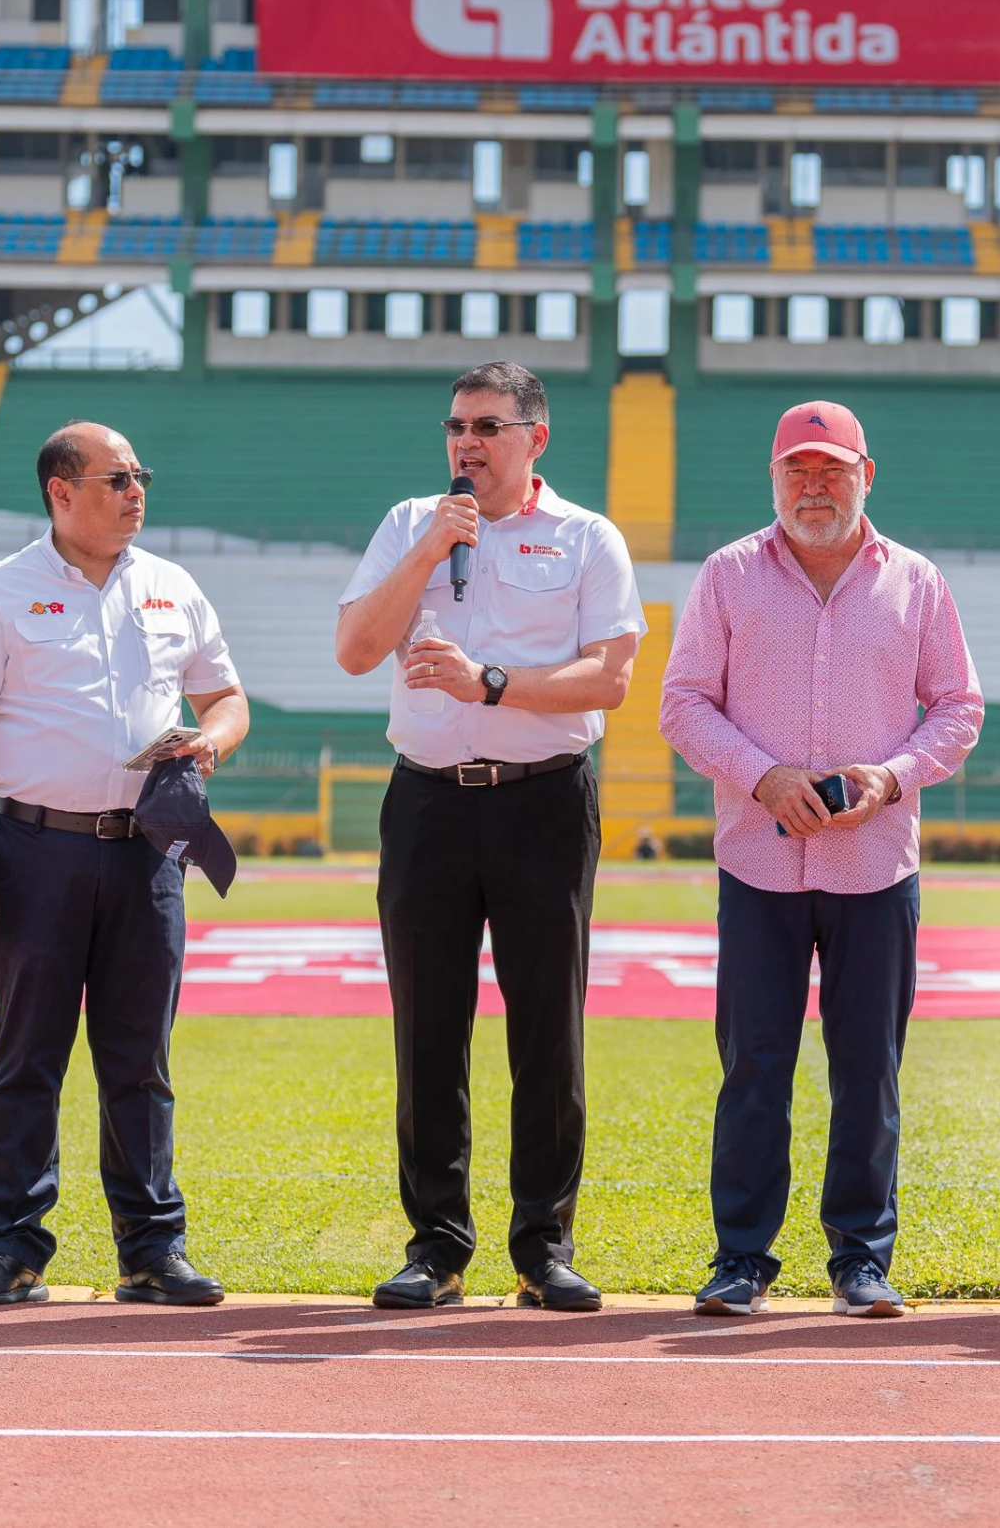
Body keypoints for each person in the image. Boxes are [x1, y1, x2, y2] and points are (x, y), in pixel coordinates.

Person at [660, 400, 983, 1318]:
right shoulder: (727, 576)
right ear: (773, 479)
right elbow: (683, 703)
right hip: (757, 862)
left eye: (832, 470)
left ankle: (860, 1259)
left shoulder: (916, 582)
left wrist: (892, 775)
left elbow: (959, 706)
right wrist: (763, 779)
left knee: (868, 1068)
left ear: (865, 475)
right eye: (798, 470)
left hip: (877, 865)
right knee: (754, 1064)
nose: (815, 486)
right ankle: (741, 1259)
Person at [334, 361, 644, 1313]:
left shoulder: (587, 538)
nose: (467, 442)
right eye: (456, 425)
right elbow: (354, 651)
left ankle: (544, 1243)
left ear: (534, 439)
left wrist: (491, 682)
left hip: (545, 801)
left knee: (548, 1025)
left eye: (488, 426)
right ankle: (437, 1243)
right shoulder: (408, 523)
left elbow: (609, 679)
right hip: (426, 801)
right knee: (428, 1025)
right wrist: (428, 551)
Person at [0, 422, 249, 1308]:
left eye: (142, 475)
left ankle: (152, 1248)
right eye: (117, 478)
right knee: (28, 1052)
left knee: (139, 1057)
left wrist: (210, 740)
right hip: (35, 851)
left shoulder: (172, 587)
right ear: (61, 492)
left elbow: (226, 696)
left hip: (146, 853)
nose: (138, 491)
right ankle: (13, 1247)